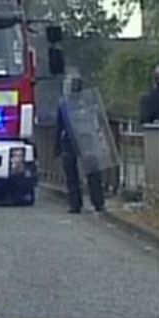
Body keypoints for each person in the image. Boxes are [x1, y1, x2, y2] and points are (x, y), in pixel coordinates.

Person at [55, 72, 105, 214]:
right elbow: (60, 125)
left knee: (91, 173)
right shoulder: (64, 103)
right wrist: (58, 146)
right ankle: (78, 204)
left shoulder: (86, 101)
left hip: (84, 139)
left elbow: (95, 121)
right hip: (70, 141)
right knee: (73, 174)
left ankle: (95, 202)